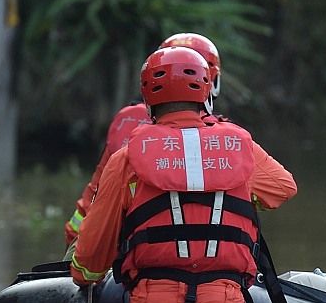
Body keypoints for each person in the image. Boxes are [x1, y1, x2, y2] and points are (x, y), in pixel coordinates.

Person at [70, 44, 296, 303]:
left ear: (147, 97)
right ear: (207, 90)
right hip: (221, 302)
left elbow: (92, 254)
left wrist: (82, 274)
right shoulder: (239, 147)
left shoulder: (127, 157)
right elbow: (283, 188)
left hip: (154, 300)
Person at [65, 32, 225, 248]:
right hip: (204, 256)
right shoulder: (227, 136)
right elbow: (280, 188)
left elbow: (95, 196)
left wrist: (75, 248)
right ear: (211, 80)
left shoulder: (128, 125)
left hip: (128, 249)